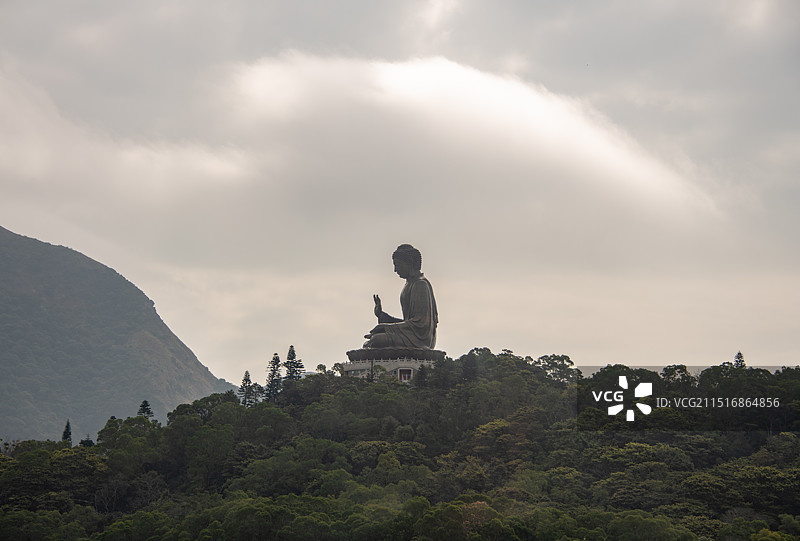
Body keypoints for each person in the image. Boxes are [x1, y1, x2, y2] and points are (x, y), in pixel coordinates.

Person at [364, 244, 438, 349]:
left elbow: (420, 325)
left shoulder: (420, 284)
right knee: (373, 340)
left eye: (397, 264)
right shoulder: (409, 284)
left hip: (420, 340)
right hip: (409, 336)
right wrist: (382, 316)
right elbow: (407, 322)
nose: (395, 269)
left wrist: (386, 327)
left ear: (409, 263)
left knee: (376, 340)